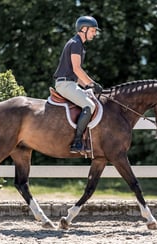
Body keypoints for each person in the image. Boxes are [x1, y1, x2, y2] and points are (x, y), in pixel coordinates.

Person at [54, 16, 103, 153]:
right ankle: (77, 142)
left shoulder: (78, 44)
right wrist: (92, 83)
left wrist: (89, 86)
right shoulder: (76, 44)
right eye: (93, 30)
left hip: (70, 82)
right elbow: (77, 69)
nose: (94, 33)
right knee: (89, 105)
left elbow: (76, 74)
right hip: (65, 84)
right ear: (84, 29)